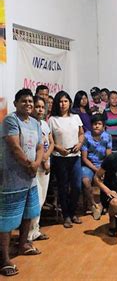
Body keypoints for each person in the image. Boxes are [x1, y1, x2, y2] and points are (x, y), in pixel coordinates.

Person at [0, 89, 43, 277]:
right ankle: (3, 259)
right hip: (13, 177)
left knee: (29, 212)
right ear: (16, 103)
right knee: (7, 220)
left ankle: (23, 244)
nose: (28, 104)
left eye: (30, 101)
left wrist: (36, 164)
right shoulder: (11, 120)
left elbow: (41, 146)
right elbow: (14, 146)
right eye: (24, 101)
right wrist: (29, 165)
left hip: (30, 176)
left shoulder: (35, 122)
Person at [49, 91, 85, 228]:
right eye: (60, 101)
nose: (63, 104)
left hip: (75, 156)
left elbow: (81, 134)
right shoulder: (52, 120)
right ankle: (66, 216)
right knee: (63, 187)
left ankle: (73, 211)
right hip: (60, 158)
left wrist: (80, 144)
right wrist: (58, 148)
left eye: (65, 101)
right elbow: (50, 139)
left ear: (69, 102)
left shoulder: (76, 117)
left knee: (76, 186)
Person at [28, 96, 54, 242]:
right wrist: (41, 160)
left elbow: (51, 142)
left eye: (42, 107)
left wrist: (46, 157)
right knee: (35, 200)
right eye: (37, 106)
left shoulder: (44, 124)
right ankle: (28, 235)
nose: (40, 109)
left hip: (46, 166)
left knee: (42, 199)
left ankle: (35, 230)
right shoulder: (29, 124)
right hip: (34, 168)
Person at [81, 114, 112, 220]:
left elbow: (109, 157)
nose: (97, 126)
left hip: (103, 166)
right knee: (85, 181)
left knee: (109, 179)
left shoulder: (107, 136)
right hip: (89, 165)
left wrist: (102, 170)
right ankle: (93, 204)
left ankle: (104, 204)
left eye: (99, 124)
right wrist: (96, 170)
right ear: (91, 125)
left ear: (103, 126)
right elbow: (84, 158)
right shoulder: (86, 136)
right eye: (95, 124)